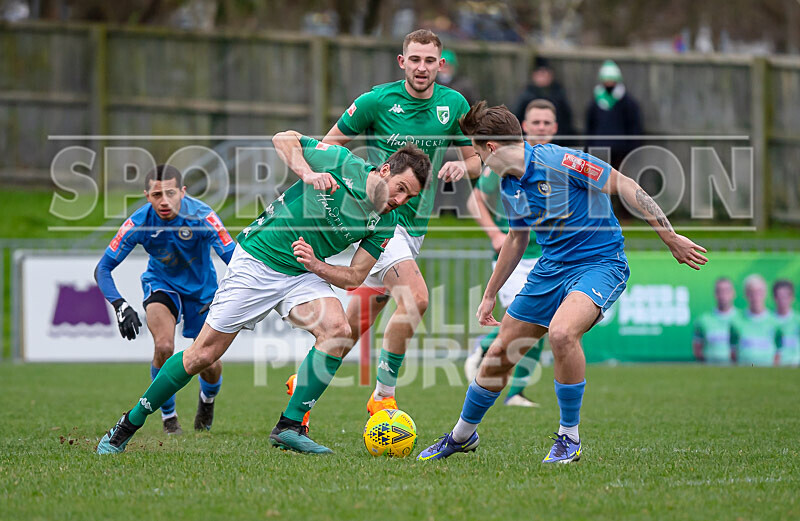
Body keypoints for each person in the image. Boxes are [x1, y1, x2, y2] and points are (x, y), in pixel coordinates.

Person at [96, 133, 431, 455]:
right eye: (400, 189)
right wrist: (307, 173)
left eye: (409, 197)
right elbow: (283, 138)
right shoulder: (344, 163)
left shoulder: (387, 221)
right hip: (258, 260)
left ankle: (290, 426)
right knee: (203, 355)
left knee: (337, 331)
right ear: (385, 171)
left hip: (302, 270)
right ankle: (127, 425)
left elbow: (355, 276)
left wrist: (316, 266)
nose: (399, 201)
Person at [417, 102, 707, 463]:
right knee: (500, 353)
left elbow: (625, 184)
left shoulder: (560, 161)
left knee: (562, 333)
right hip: (550, 269)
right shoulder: (509, 184)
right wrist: (489, 294)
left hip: (599, 264)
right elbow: (516, 239)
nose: (480, 161)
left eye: (477, 152)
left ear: (490, 148)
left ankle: (569, 438)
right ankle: (462, 436)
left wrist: (670, 236)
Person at [289, 28, 481, 423]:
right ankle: (383, 395)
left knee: (352, 329)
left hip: (415, 229)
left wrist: (464, 165)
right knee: (416, 299)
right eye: (415, 59)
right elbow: (329, 146)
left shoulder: (453, 103)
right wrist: (338, 190)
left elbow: (479, 159)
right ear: (402, 62)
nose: (422, 67)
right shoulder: (377, 100)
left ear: (440, 65)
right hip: (382, 223)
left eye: (430, 60)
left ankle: (302, 384)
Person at [95, 165, 235, 435]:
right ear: (147, 195)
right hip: (162, 285)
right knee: (164, 345)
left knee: (209, 361)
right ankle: (169, 417)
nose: (164, 201)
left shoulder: (203, 216)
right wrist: (119, 305)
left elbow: (235, 259)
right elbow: (103, 268)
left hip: (203, 293)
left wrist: (234, 293)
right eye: (157, 194)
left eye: (170, 193)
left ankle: (207, 401)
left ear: (182, 192)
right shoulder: (139, 222)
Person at [463, 99, 561, 407]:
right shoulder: (502, 164)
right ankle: (488, 349)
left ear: (555, 128)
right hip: (516, 260)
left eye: (547, 123)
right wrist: (494, 233)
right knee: (528, 322)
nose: (542, 128)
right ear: (525, 126)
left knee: (542, 324)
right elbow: (473, 201)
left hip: (547, 258)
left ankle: (514, 390)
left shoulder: (556, 161)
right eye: (536, 123)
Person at [585, 60, 643, 169]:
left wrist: (631, 149)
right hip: (599, 150)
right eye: (606, 80)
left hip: (620, 151)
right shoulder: (595, 102)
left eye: (611, 79)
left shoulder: (628, 102)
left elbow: (633, 126)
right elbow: (590, 126)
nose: (609, 83)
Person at [511, 56, 575, 139]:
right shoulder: (526, 96)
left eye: (545, 74)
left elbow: (566, 121)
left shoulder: (559, 95)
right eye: (540, 74)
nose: (542, 128)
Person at [731, 275, 780, 366]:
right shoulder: (736, 321)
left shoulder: (775, 321)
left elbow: (779, 352)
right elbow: (733, 352)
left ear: (765, 293)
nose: (755, 296)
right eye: (751, 292)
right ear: (746, 294)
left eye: (759, 292)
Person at [692, 277, 740, 364]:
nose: (723, 295)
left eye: (726, 291)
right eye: (720, 291)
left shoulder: (742, 318)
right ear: (715, 294)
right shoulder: (703, 320)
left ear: (733, 293)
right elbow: (698, 349)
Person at [773, 280, 800, 367]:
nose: (782, 300)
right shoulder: (769, 321)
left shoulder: (798, 321)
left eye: (785, 296)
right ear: (774, 298)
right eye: (779, 296)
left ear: (792, 298)